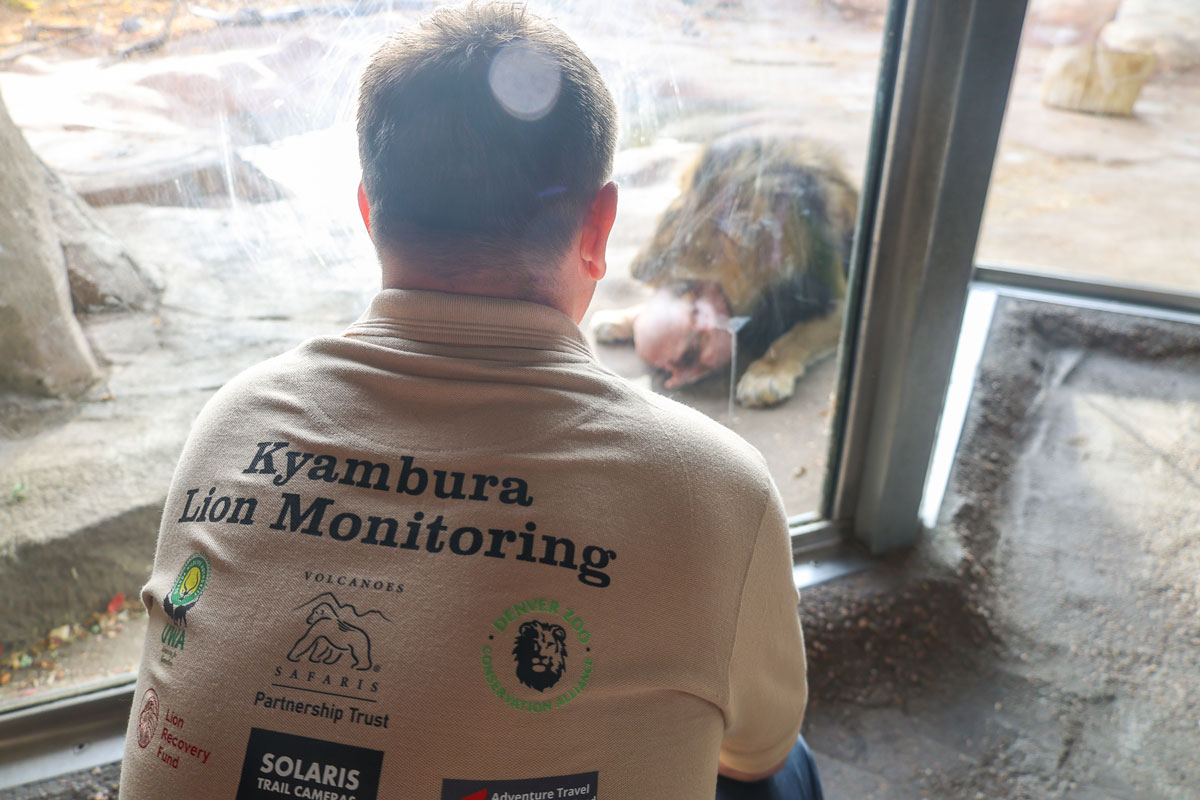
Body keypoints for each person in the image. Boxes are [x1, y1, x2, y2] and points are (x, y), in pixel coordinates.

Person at [118, 4, 821, 798]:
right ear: (599, 230)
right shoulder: (713, 485)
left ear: (368, 212)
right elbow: (757, 750)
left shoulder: (234, 421)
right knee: (780, 767)